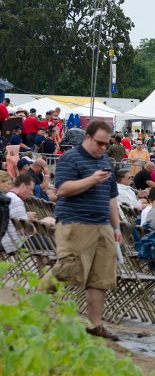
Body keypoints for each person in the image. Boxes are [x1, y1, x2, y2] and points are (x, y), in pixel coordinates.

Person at [38, 121, 123, 341]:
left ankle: (94, 324)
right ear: (88, 137)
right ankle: (35, 307)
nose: (103, 148)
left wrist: (116, 225)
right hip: (75, 222)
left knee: (100, 276)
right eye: (99, 143)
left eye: (106, 144)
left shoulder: (105, 161)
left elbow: (112, 197)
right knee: (67, 269)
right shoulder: (71, 158)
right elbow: (63, 189)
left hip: (102, 224)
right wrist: (91, 180)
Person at [1, 174, 36, 254]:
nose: (31, 193)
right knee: (57, 241)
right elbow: (24, 230)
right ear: (23, 186)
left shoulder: (9, 196)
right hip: (17, 243)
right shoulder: (16, 200)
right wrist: (41, 228)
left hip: (8, 241)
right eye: (30, 189)